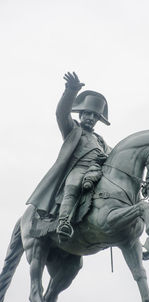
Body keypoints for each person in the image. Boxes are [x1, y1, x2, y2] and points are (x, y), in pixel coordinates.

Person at [26, 72, 111, 240]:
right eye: (88, 113)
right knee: (73, 185)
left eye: (95, 116)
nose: (91, 118)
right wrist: (71, 91)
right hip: (78, 169)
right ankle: (64, 222)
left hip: (97, 173)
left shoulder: (101, 141)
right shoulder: (72, 130)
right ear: (81, 114)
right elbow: (61, 113)